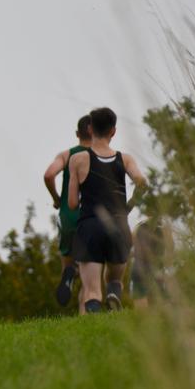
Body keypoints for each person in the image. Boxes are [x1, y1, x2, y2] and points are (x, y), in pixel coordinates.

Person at [68, 107, 146, 314]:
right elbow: (142, 183)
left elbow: (73, 203)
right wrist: (127, 208)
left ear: (90, 128)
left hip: (90, 226)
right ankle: (113, 293)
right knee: (114, 279)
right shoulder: (125, 159)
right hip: (119, 226)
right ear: (113, 131)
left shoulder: (78, 160)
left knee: (92, 291)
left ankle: (94, 312)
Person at [43, 115, 92, 306]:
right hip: (91, 218)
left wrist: (56, 198)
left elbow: (48, 175)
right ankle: (87, 312)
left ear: (77, 134)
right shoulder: (102, 156)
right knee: (91, 278)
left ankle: (68, 272)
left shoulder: (66, 155)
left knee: (69, 259)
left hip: (68, 216)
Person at [130, 215, 174, 308]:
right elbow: (171, 250)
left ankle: (142, 320)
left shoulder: (139, 226)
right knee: (164, 299)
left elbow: (132, 246)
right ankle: (166, 320)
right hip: (157, 268)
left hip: (139, 267)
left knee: (140, 297)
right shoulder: (165, 229)